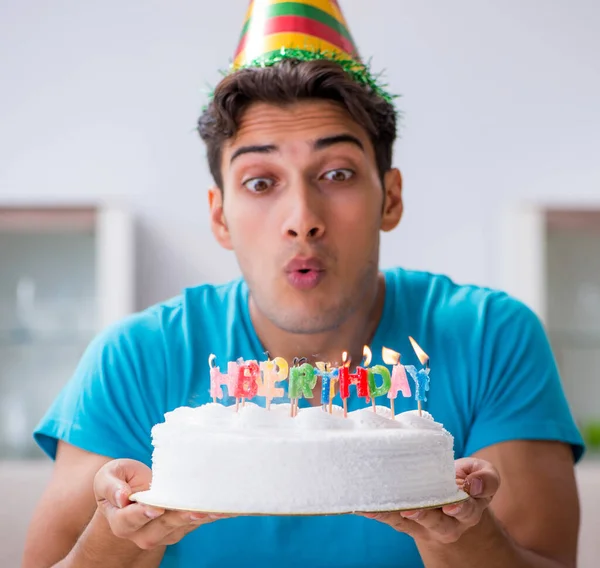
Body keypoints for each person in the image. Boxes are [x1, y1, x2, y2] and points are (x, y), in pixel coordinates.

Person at [23, 1, 583, 567]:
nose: (301, 216)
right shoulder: (136, 359)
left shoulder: (490, 337)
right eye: (261, 181)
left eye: (336, 174)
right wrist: (120, 533)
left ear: (389, 197)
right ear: (219, 216)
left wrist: (461, 534)